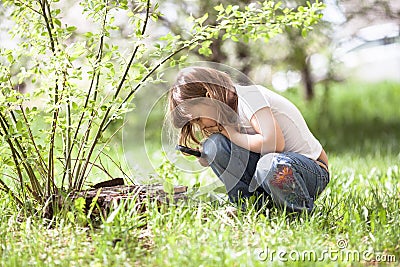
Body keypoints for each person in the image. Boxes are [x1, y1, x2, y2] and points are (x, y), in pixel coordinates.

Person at [168, 66, 329, 213]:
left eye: (197, 118)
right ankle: (251, 208)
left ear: (208, 98)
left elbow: (274, 143)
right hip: (271, 174)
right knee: (214, 145)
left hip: (309, 171)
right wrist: (208, 155)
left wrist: (233, 135)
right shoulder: (225, 116)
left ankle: (298, 214)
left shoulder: (250, 97)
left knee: (270, 165)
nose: (198, 125)